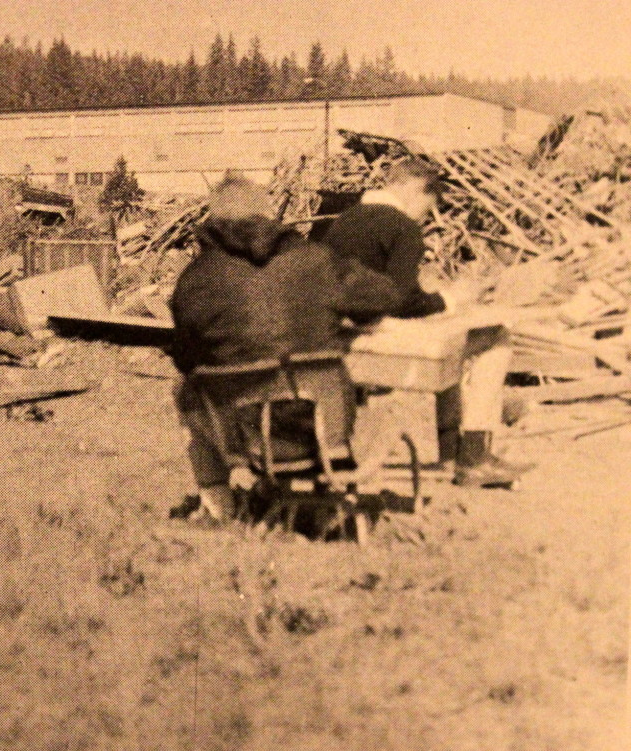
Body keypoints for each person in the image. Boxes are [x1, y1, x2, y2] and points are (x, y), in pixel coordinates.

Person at [169, 174, 402, 522]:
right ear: (268, 214)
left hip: (242, 437)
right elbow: (385, 295)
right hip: (323, 430)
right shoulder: (315, 261)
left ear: (213, 222)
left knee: (187, 388)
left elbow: (186, 357)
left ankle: (219, 504)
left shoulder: (195, 280)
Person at [323, 157, 534, 487]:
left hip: (340, 331)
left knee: (454, 340)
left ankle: (451, 453)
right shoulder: (401, 228)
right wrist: (450, 299)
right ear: (416, 190)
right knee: (493, 337)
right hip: (378, 332)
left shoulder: (343, 220)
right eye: (427, 208)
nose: (424, 217)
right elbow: (401, 301)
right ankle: (473, 456)